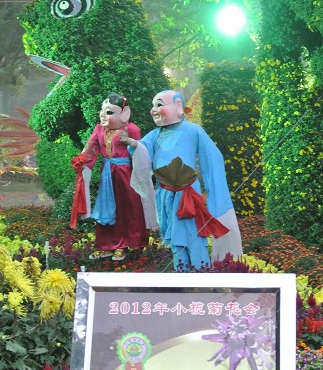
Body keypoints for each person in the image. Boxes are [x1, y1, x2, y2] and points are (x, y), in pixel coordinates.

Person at [120, 89, 242, 270]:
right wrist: (133, 143)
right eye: (153, 106)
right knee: (175, 239)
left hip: (187, 194)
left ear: (178, 106)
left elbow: (212, 158)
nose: (153, 110)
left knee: (194, 235)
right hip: (165, 194)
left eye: (159, 105)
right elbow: (143, 149)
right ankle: (181, 273)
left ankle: (200, 273)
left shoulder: (193, 130)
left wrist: (216, 194)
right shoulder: (156, 134)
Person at [71, 93, 150, 260]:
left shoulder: (131, 129)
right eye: (102, 110)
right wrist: (81, 161)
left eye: (108, 112)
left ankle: (125, 244)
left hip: (126, 175)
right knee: (105, 207)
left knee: (125, 208)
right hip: (107, 174)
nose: (102, 115)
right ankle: (105, 244)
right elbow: (90, 148)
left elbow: (141, 153)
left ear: (124, 114)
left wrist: (129, 143)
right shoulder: (99, 129)